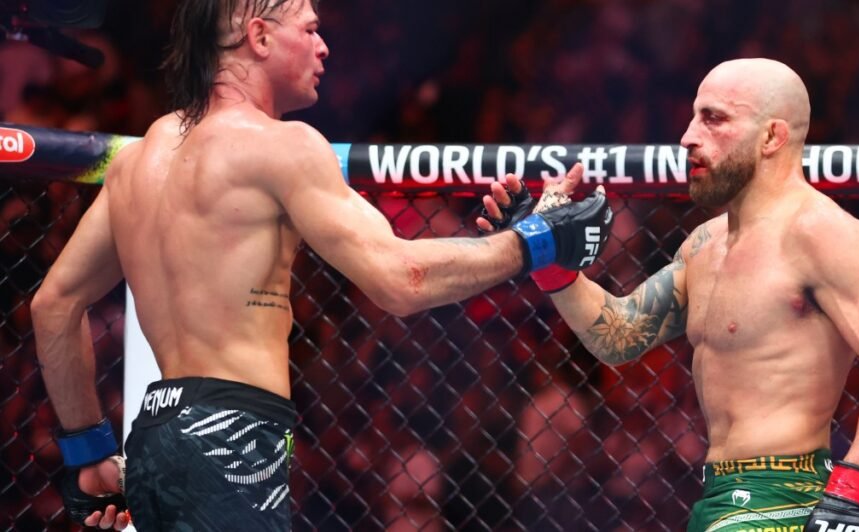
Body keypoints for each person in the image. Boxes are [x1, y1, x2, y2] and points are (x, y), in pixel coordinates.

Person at [29, 0, 612, 529]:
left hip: (153, 437)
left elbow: (53, 305)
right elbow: (401, 279)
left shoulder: (138, 159)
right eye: (309, 29)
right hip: (232, 435)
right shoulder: (283, 145)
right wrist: (536, 242)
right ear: (259, 36)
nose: (324, 46)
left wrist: (89, 454)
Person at [479, 58, 859, 531]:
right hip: (720, 499)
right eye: (695, 117)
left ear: (772, 137)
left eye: (714, 118)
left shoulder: (822, 233)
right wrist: (546, 258)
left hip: (785, 502)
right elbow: (620, 335)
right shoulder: (705, 244)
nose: (688, 137)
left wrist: (849, 500)